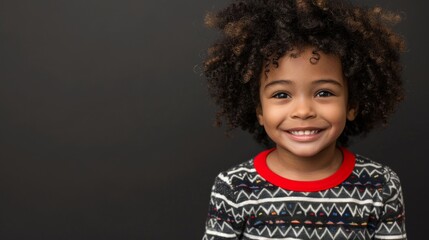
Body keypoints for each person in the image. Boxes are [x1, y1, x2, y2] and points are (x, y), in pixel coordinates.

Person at [201, 0, 407, 239]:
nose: (303, 111)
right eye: (281, 95)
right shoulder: (234, 188)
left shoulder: (380, 186)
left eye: (324, 93)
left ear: (352, 105)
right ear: (259, 110)